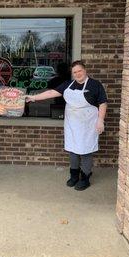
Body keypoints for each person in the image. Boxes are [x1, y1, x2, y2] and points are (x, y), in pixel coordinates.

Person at [26, 60, 107, 191]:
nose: (77, 74)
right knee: (72, 150)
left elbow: (103, 103)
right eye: (75, 72)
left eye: (79, 71)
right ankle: (74, 175)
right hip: (72, 124)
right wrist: (34, 98)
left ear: (85, 70)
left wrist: (100, 120)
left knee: (86, 151)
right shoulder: (68, 85)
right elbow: (51, 93)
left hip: (88, 125)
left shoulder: (95, 85)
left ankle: (85, 177)